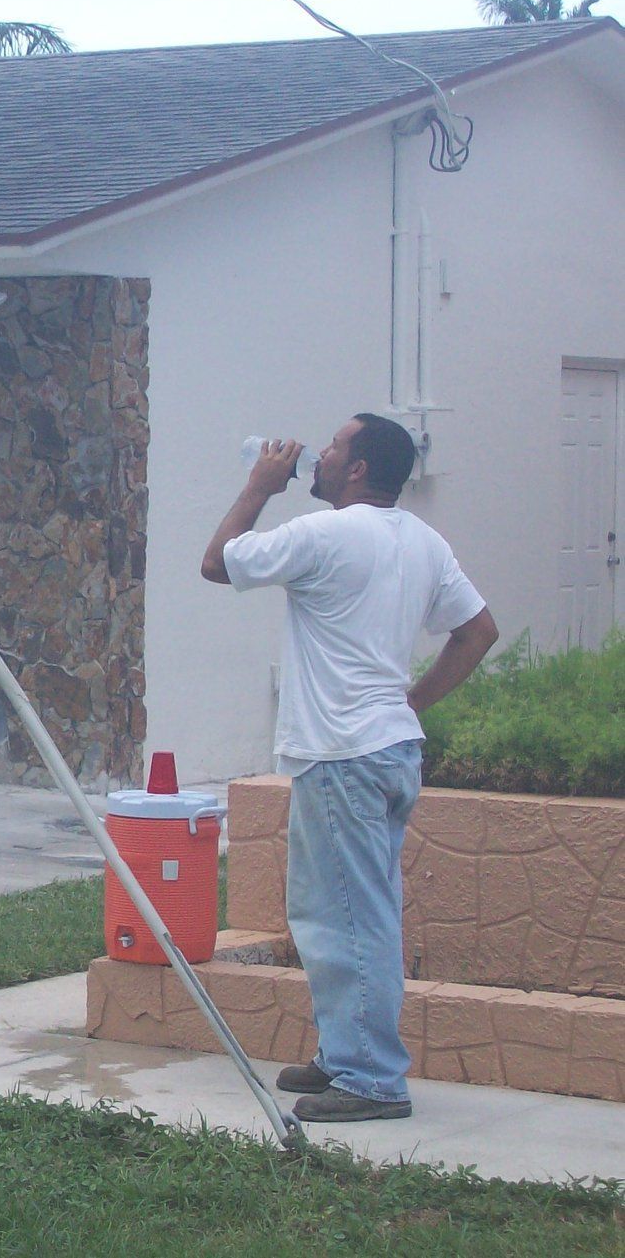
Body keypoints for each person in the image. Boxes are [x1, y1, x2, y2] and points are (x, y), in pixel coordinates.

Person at [202, 415, 498, 1123]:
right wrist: (413, 701)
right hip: (390, 748)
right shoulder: (423, 540)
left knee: (347, 918)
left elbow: (218, 562)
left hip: (342, 753)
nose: (318, 453)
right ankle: (344, 1052)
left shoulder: (325, 533)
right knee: (345, 908)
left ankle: (369, 1077)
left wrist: (258, 486)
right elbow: (478, 629)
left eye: (333, 446)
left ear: (358, 469)